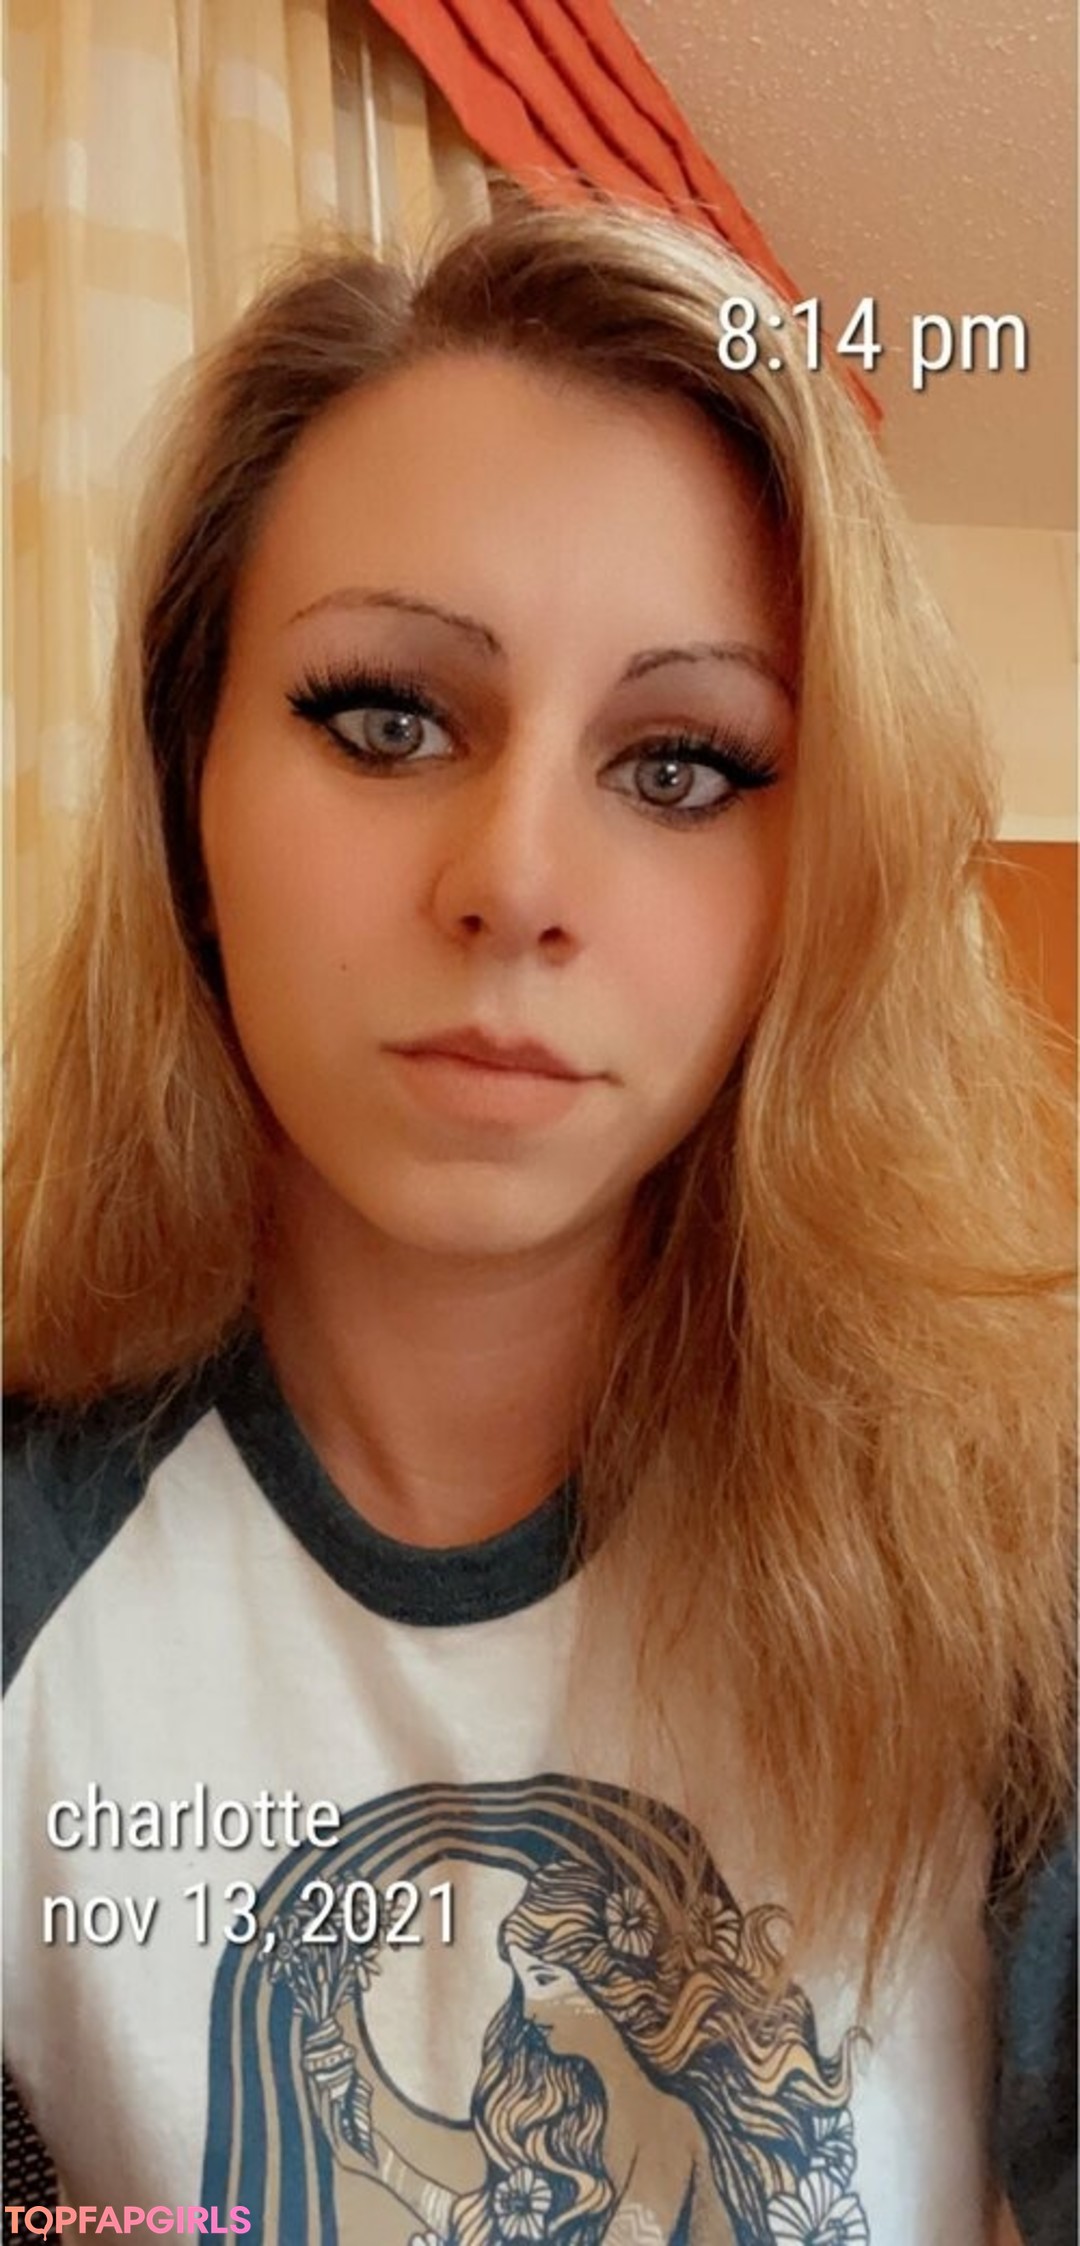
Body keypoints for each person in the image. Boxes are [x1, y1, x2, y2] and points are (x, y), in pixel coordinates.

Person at [2, 190, 1074, 2246]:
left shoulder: (1023, 1563)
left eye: (681, 763)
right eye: (386, 716)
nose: (515, 880)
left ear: (821, 881)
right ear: (183, 788)